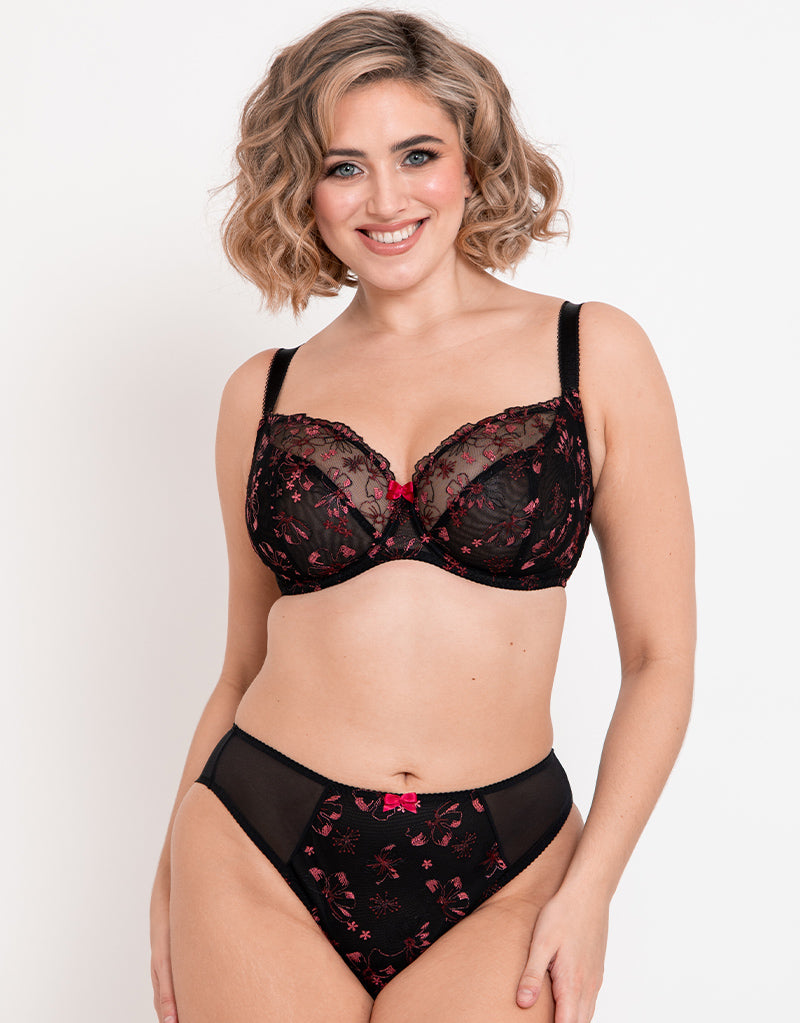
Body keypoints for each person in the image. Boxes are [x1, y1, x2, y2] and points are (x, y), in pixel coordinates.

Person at [149, 8, 695, 1022]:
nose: (386, 199)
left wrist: (593, 890)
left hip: (509, 859)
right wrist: (167, 876)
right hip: (254, 844)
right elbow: (240, 663)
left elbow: (660, 658)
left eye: (416, 155)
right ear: (303, 188)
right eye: (343, 167)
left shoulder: (593, 352)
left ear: (472, 163)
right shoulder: (262, 391)